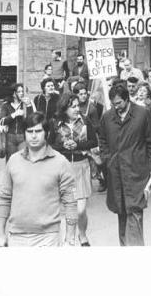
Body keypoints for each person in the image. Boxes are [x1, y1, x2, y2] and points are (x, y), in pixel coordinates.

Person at [0, 111, 78, 247]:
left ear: (46, 133)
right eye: (30, 131)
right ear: (24, 134)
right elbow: (4, 198)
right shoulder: (13, 161)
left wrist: (70, 239)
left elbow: (70, 202)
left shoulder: (61, 162)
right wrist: (0, 234)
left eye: (38, 131)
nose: (34, 136)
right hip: (16, 236)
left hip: (48, 238)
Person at [98, 84, 151, 246]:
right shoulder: (107, 117)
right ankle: (124, 246)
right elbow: (103, 141)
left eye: (119, 103)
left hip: (137, 172)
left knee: (134, 210)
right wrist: (107, 159)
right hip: (116, 172)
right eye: (113, 104)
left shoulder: (142, 114)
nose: (116, 107)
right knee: (121, 211)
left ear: (127, 99)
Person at [50, 94, 97, 246]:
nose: (77, 109)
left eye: (78, 106)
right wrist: (63, 146)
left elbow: (93, 142)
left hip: (81, 166)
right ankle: (69, 238)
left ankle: (82, 234)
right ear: (65, 108)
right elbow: (50, 145)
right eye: (73, 106)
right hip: (63, 169)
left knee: (81, 210)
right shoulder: (55, 123)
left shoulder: (85, 121)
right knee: (67, 208)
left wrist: (78, 145)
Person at [0, 83, 35, 161]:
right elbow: (2, 121)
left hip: (22, 135)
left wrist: (29, 106)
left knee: (23, 160)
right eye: (19, 92)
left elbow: (32, 120)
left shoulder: (26, 104)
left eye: (23, 91)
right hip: (10, 136)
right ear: (13, 94)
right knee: (11, 160)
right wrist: (14, 114)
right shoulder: (6, 105)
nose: (21, 93)